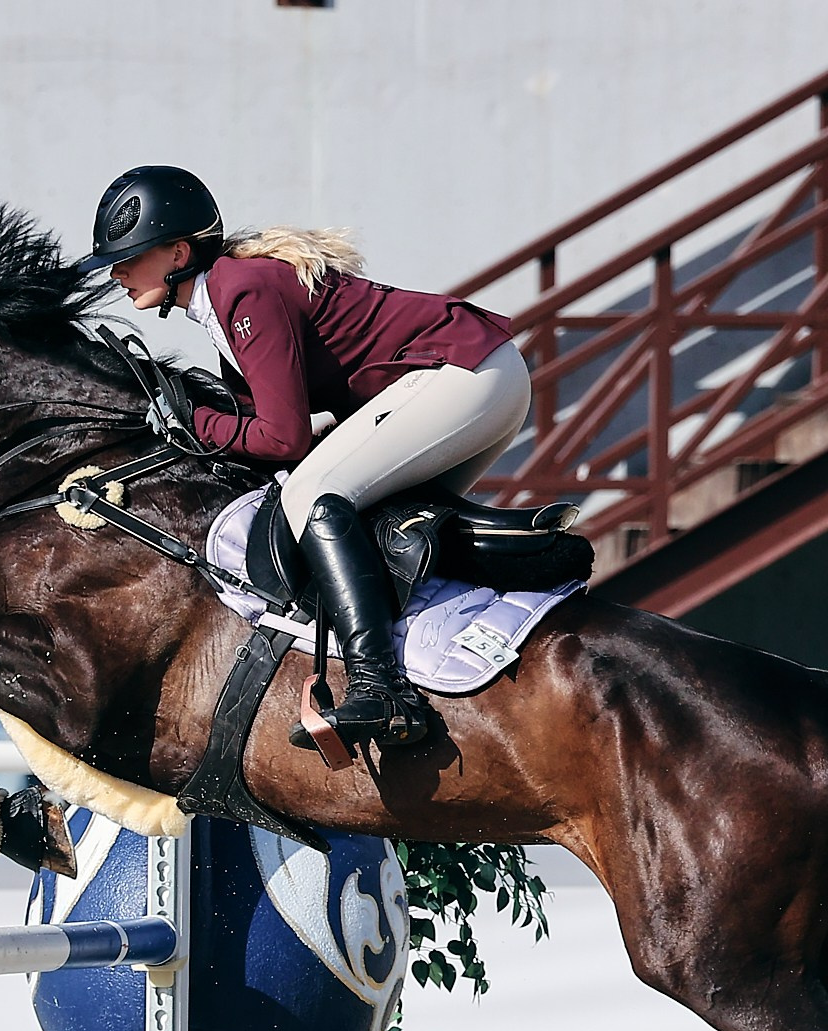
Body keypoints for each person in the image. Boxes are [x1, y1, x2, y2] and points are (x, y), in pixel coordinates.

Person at [76, 165, 530, 751]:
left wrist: (191, 422)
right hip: (479, 377)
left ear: (179, 252)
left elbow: (282, 439)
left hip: (465, 374)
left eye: (129, 257)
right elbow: (262, 440)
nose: (117, 273)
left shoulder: (242, 289)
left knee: (313, 497)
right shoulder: (225, 303)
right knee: (377, 527)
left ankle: (381, 690)